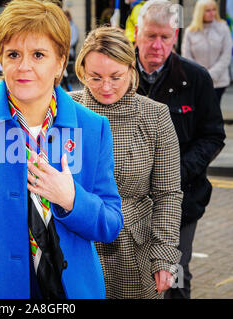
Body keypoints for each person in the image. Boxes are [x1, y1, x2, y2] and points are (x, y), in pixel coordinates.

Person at [0, 0, 123, 299]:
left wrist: (71, 199)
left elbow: (110, 224)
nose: (24, 66)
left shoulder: (93, 128)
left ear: (60, 62)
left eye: (39, 55)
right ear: (1, 58)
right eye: (13, 54)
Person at [70, 26, 182, 299]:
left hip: (134, 250)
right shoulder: (65, 110)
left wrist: (164, 256)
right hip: (77, 244)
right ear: (82, 70)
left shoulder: (155, 116)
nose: (106, 87)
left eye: (116, 77)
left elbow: (168, 194)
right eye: (95, 78)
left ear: (131, 69)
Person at [134, 0, 226, 299]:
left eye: (165, 37)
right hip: (128, 199)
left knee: (174, 276)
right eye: (150, 36)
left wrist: (174, 172)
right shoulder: (118, 76)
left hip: (181, 200)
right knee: (131, 275)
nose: (157, 45)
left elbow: (213, 136)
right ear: (136, 33)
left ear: (175, 36)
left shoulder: (196, 78)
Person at [182, 0, 232, 106]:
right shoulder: (190, 31)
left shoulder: (223, 28)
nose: (212, 13)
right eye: (208, 10)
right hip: (197, 81)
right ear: (200, 12)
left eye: (214, 10)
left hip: (218, 81)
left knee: (214, 112)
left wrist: (211, 75)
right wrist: (200, 75)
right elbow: (186, 57)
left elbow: (226, 55)